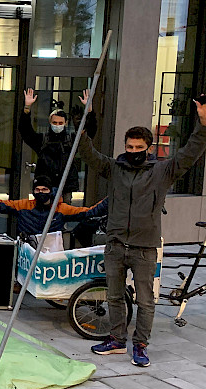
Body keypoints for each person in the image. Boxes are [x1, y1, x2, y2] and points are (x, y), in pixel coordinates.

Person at [85, 97, 206, 367]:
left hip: (144, 248)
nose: (133, 150)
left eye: (139, 147)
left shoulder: (162, 171)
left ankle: (140, 345)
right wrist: (85, 121)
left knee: (146, 301)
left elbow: (192, 151)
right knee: (115, 296)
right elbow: (88, 155)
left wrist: (203, 123)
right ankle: (117, 340)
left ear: (148, 148)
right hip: (115, 244)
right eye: (129, 146)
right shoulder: (115, 168)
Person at [0, 169, 108, 236]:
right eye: (37, 189)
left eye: (44, 189)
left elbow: (89, 212)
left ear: (50, 191)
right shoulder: (24, 205)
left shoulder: (61, 208)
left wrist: (111, 199)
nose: (41, 192)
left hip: (50, 254)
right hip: (26, 251)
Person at [20, 88, 97, 204]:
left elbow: (89, 134)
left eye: (60, 123)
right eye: (55, 123)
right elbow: (25, 131)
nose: (57, 125)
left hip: (66, 185)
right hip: (45, 185)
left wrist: (89, 111)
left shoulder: (71, 139)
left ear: (65, 123)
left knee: (63, 215)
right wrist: (27, 109)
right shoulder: (42, 139)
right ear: (50, 122)